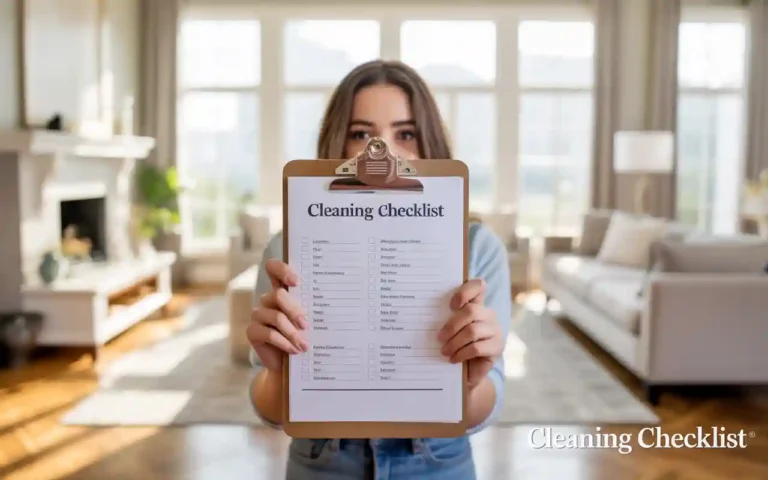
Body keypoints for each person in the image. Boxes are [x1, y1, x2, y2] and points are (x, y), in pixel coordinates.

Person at [247, 59, 512, 480]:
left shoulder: (478, 248)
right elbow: (270, 411)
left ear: (428, 144)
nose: (383, 152)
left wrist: (468, 383)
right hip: (322, 462)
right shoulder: (286, 248)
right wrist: (280, 375)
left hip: (437, 463)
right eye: (361, 134)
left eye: (405, 134)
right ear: (338, 146)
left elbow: (485, 408)